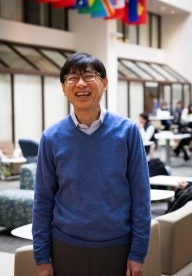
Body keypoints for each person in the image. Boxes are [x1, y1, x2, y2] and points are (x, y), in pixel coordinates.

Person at [32, 52, 151, 276]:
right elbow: (42, 200)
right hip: (66, 246)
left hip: (117, 246)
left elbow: (141, 196)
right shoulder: (51, 138)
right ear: (63, 88)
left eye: (88, 76)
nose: (80, 84)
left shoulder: (128, 132)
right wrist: (41, 256)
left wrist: (138, 252)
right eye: (71, 79)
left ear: (104, 83)